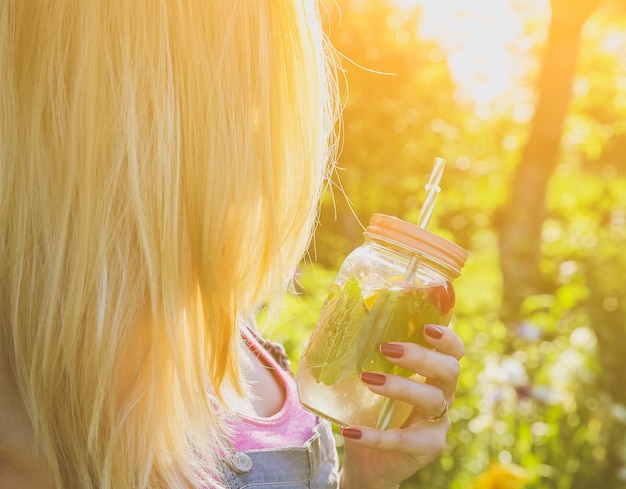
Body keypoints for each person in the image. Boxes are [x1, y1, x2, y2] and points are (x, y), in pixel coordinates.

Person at [0, 1, 464, 488]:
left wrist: (367, 479)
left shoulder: (233, 329)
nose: (269, 124)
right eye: (249, 86)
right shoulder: (24, 390)